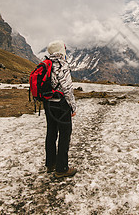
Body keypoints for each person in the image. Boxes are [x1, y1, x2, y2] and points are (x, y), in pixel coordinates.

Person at [43, 40, 77, 178]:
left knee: (51, 132)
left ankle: (50, 164)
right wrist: (72, 107)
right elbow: (67, 89)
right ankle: (62, 168)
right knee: (64, 134)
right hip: (61, 105)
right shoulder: (61, 65)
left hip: (48, 104)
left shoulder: (46, 64)